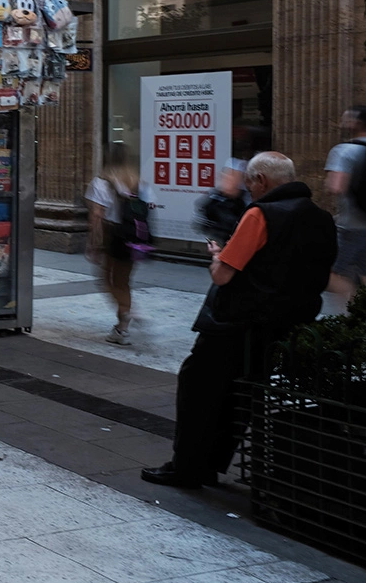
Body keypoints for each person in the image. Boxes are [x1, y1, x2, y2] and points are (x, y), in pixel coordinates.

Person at [141, 152, 337, 489]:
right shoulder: (321, 217)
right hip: (285, 323)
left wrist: (218, 256)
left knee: (199, 388)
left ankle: (187, 467)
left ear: (261, 180)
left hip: (236, 324)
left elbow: (223, 275)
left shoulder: (261, 214)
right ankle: (212, 464)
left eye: (249, 181)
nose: (247, 189)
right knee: (240, 396)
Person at [85, 143, 151, 345]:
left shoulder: (101, 182)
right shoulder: (139, 183)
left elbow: (97, 215)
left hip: (112, 236)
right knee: (124, 281)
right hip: (135, 237)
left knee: (106, 280)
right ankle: (123, 326)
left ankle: (127, 311)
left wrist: (93, 243)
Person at [324, 107, 366, 306]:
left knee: (329, 274)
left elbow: (336, 186)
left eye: (346, 119)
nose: (342, 123)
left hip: (350, 226)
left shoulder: (345, 151)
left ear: (356, 123)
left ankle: (356, 310)